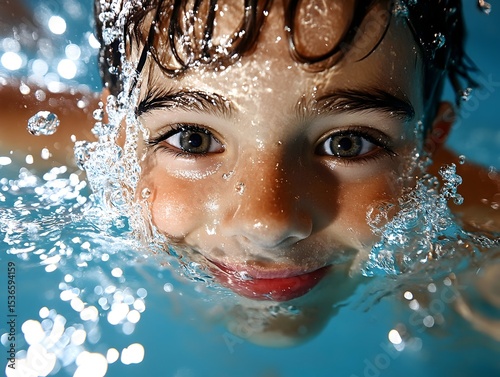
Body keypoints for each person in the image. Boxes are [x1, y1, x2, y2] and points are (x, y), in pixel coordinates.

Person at [0, 0, 498, 345]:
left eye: (347, 144)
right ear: (120, 140)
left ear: (429, 145)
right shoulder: (75, 137)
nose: (267, 222)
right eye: (192, 139)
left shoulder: (479, 233)